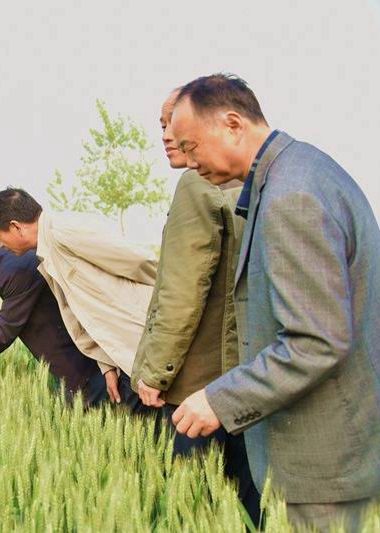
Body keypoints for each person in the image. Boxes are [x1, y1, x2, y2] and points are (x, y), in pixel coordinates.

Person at [169, 73, 380, 531]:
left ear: (232, 124)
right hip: (338, 455)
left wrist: (220, 399)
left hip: (324, 470)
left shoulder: (292, 197)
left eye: (190, 146)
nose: (187, 162)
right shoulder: (304, 171)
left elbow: (316, 341)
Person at [130, 87, 260, 523]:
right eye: (161, 125)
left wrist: (154, 371)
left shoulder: (196, 185)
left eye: (173, 124)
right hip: (246, 382)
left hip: (195, 386)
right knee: (249, 501)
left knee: (192, 507)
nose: (166, 135)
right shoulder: (249, 184)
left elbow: (182, 292)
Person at [0, 189, 156, 413]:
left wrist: (167, 318)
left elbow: (141, 262)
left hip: (144, 346)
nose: (1, 245)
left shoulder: (64, 232)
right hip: (123, 356)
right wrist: (107, 365)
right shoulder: (47, 253)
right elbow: (86, 313)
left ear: (16, 227)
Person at [0, 230, 109, 408]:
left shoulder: (14, 270)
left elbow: (2, 334)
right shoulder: (12, 263)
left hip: (82, 366)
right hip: (78, 363)